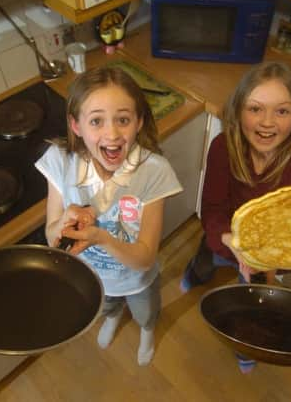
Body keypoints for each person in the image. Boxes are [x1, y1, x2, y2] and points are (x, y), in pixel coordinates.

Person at [35, 67, 183, 366]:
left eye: (123, 120)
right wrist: (63, 221)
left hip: (137, 279)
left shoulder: (154, 172)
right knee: (108, 307)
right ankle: (114, 318)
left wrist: (100, 237)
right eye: (96, 121)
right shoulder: (60, 162)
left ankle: (146, 331)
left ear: (139, 122)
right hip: (92, 278)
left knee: (145, 312)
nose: (112, 134)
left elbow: (143, 258)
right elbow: (52, 236)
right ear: (76, 125)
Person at [180, 61, 291, 372]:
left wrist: (266, 262)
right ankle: (196, 274)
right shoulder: (223, 147)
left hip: (265, 255)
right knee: (207, 257)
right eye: (255, 109)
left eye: (282, 111)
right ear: (238, 111)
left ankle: (245, 346)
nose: (267, 122)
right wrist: (230, 240)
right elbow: (213, 209)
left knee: (253, 303)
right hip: (226, 234)